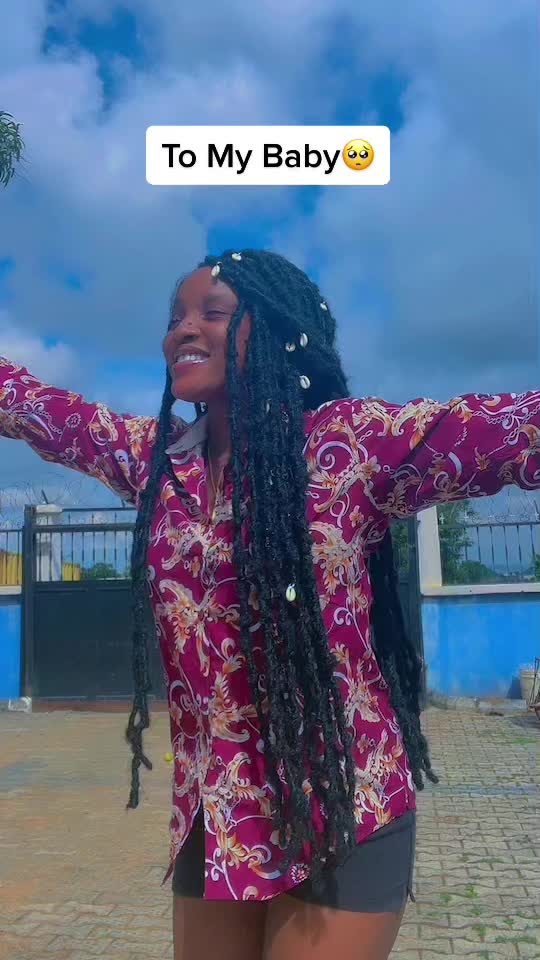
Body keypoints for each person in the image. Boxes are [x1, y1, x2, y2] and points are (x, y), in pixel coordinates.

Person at [1, 248, 539, 960]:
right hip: (215, 811)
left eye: (212, 313)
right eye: (174, 317)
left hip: (342, 801)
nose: (182, 329)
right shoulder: (161, 462)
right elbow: (39, 409)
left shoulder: (351, 445)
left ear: (280, 331)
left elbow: (505, 429)